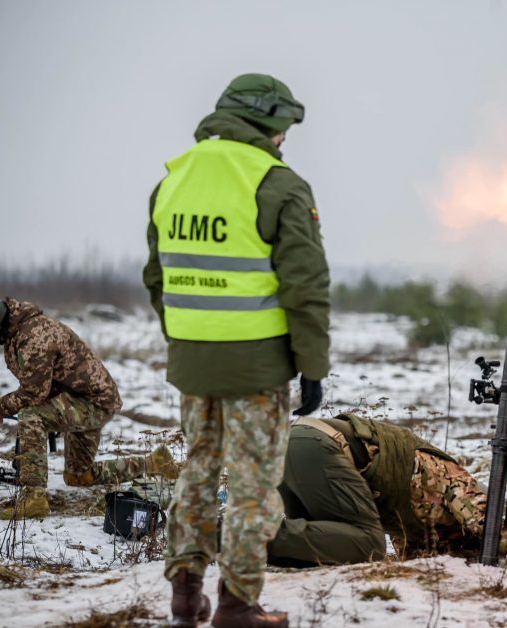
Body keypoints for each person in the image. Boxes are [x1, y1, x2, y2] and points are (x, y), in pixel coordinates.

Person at [143, 72, 330, 628]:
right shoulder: (279, 184)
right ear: (267, 122)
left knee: (197, 473)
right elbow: (305, 287)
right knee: (252, 487)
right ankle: (238, 605)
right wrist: (312, 367)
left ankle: (184, 595)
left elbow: (158, 279)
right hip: (257, 367)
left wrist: (187, 341)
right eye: (282, 130)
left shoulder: (172, 182)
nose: (283, 142)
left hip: (194, 364)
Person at [267, 414, 507, 574]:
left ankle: (244, 541)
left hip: (291, 444)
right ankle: (239, 534)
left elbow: (418, 562)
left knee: (316, 548)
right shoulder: (457, 483)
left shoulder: (418, 531)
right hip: (319, 447)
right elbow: (491, 528)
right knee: (367, 544)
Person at [0, 295, 178, 520]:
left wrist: (0, 408)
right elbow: (38, 384)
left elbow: (34, 393)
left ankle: (34, 497)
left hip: (92, 402)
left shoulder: (32, 335)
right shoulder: (21, 331)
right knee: (79, 477)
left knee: (31, 416)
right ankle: (154, 462)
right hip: (80, 399)